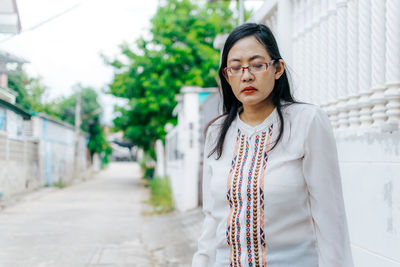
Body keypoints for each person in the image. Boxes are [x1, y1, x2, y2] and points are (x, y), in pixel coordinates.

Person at [191, 23, 353, 267]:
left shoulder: (306, 121)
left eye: (257, 64)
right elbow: (212, 220)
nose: (246, 75)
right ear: (227, 75)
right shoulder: (217, 132)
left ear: (277, 68)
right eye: (235, 67)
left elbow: (330, 217)